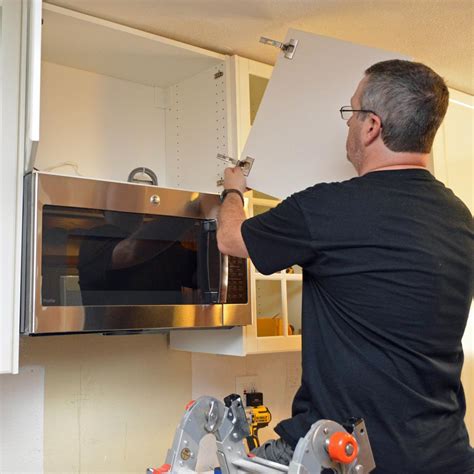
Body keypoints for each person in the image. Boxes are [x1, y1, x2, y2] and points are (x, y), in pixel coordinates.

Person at [216, 60, 474, 473]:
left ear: (371, 126)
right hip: (447, 455)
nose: (348, 126)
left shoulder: (326, 208)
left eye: (351, 113)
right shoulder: (460, 216)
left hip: (351, 457)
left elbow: (231, 238)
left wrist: (232, 191)